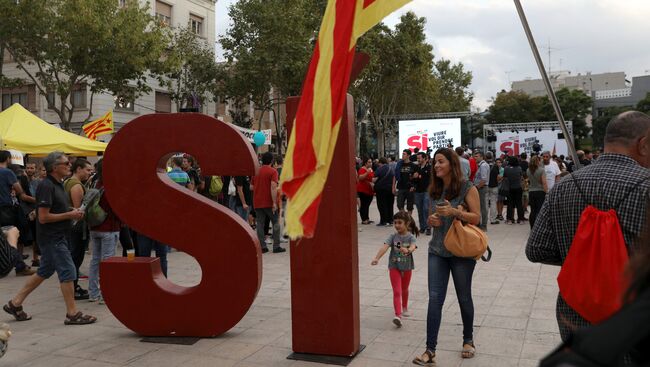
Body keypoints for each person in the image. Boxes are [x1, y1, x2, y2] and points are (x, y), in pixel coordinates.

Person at [527, 111, 650, 342]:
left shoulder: (563, 187)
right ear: (643, 144)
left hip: (575, 314)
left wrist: (582, 257)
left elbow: (536, 250)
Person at [3, 152, 96, 325]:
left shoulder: (58, 184)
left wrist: (71, 211)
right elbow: (43, 217)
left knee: (44, 271)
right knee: (68, 270)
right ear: (55, 167)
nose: (70, 165)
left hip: (58, 236)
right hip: (52, 238)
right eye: (66, 163)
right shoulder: (46, 186)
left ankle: (15, 303)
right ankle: (72, 314)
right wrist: (69, 214)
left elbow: (56, 208)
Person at [413, 148, 481, 366]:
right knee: (435, 299)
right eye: (435, 162)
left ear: (452, 163)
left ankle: (468, 340)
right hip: (437, 251)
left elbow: (477, 218)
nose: (436, 166)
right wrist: (434, 221)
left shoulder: (468, 188)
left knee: (463, 297)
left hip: (461, 252)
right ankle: (430, 350)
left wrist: (455, 212)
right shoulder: (435, 188)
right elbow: (436, 218)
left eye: (440, 161)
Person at [371, 211, 418, 328]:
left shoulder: (411, 237)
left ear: (407, 224)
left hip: (407, 267)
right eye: (395, 222)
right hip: (394, 267)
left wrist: (409, 250)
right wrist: (377, 258)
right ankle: (398, 315)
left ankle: (405, 307)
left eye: (400, 223)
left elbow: (413, 246)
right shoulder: (393, 237)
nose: (397, 225)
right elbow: (385, 247)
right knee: (397, 291)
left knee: (404, 289)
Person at [87, 159, 121, 304]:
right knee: (107, 261)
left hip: (95, 227)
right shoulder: (111, 187)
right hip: (109, 227)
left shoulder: (95, 184)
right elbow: (116, 208)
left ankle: (93, 293)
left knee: (95, 260)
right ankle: (105, 294)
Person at [63, 158, 93, 300]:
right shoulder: (76, 185)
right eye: (87, 170)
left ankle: (72, 287)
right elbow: (78, 211)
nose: (89, 172)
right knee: (76, 258)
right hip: (76, 228)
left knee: (73, 257)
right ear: (78, 169)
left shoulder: (68, 182)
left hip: (70, 226)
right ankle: (73, 288)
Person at [253, 152, 285, 253]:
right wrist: (274, 202)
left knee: (260, 224)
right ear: (271, 161)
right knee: (275, 222)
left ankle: (262, 247)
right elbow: (273, 187)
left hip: (257, 201)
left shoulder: (256, 171)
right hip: (269, 202)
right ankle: (276, 246)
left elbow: (251, 186)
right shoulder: (273, 172)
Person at [526, 155, 548, 229]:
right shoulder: (541, 170)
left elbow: (529, 180)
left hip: (531, 191)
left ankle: (532, 226)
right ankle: (539, 227)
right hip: (540, 191)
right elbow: (544, 182)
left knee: (533, 210)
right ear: (538, 161)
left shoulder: (528, 170)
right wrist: (546, 191)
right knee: (539, 210)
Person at [413, 152, 432, 235]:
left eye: (420, 158)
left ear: (425, 158)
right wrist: (414, 177)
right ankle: (422, 227)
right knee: (420, 209)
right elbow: (413, 180)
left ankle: (428, 227)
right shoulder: (416, 168)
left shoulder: (430, 168)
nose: (418, 160)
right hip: (418, 191)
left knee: (426, 209)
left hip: (427, 191)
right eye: (417, 158)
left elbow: (432, 179)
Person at [393, 149, 416, 216]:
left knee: (410, 206)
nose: (402, 155)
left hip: (409, 188)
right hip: (401, 187)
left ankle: (408, 220)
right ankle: (404, 217)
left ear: (408, 155)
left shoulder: (413, 165)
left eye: (404, 154)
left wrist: (414, 186)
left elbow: (416, 178)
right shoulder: (399, 164)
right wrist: (393, 187)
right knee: (399, 205)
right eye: (402, 154)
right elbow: (395, 176)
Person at [373, 158, 395, 226]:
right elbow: (394, 178)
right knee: (390, 205)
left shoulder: (379, 169)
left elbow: (374, 179)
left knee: (382, 205)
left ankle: (383, 221)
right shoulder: (391, 168)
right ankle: (390, 220)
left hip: (381, 189)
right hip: (390, 189)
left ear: (380, 163)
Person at [472, 151, 490, 231]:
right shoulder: (480, 165)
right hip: (479, 188)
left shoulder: (483, 166)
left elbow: (483, 179)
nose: (474, 158)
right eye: (474, 156)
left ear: (481, 157)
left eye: (476, 156)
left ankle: (484, 225)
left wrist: (477, 187)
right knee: (478, 207)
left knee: (483, 207)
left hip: (481, 188)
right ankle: (479, 224)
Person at [357, 158, 374, 225]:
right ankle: (364, 219)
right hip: (363, 189)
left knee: (367, 205)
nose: (371, 163)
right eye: (369, 162)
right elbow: (360, 178)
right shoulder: (362, 169)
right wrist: (367, 172)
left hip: (369, 190)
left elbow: (372, 178)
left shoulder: (371, 169)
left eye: (371, 162)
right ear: (365, 163)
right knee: (364, 205)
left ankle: (367, 218)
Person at [487, 157, 502, 225]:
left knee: (485, 203)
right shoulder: (495, 167)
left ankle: (483, 219)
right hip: (494, 186)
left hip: (485, 186)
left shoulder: (483, 164)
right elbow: (498, 177)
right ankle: (492, 219)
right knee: (493, 203)